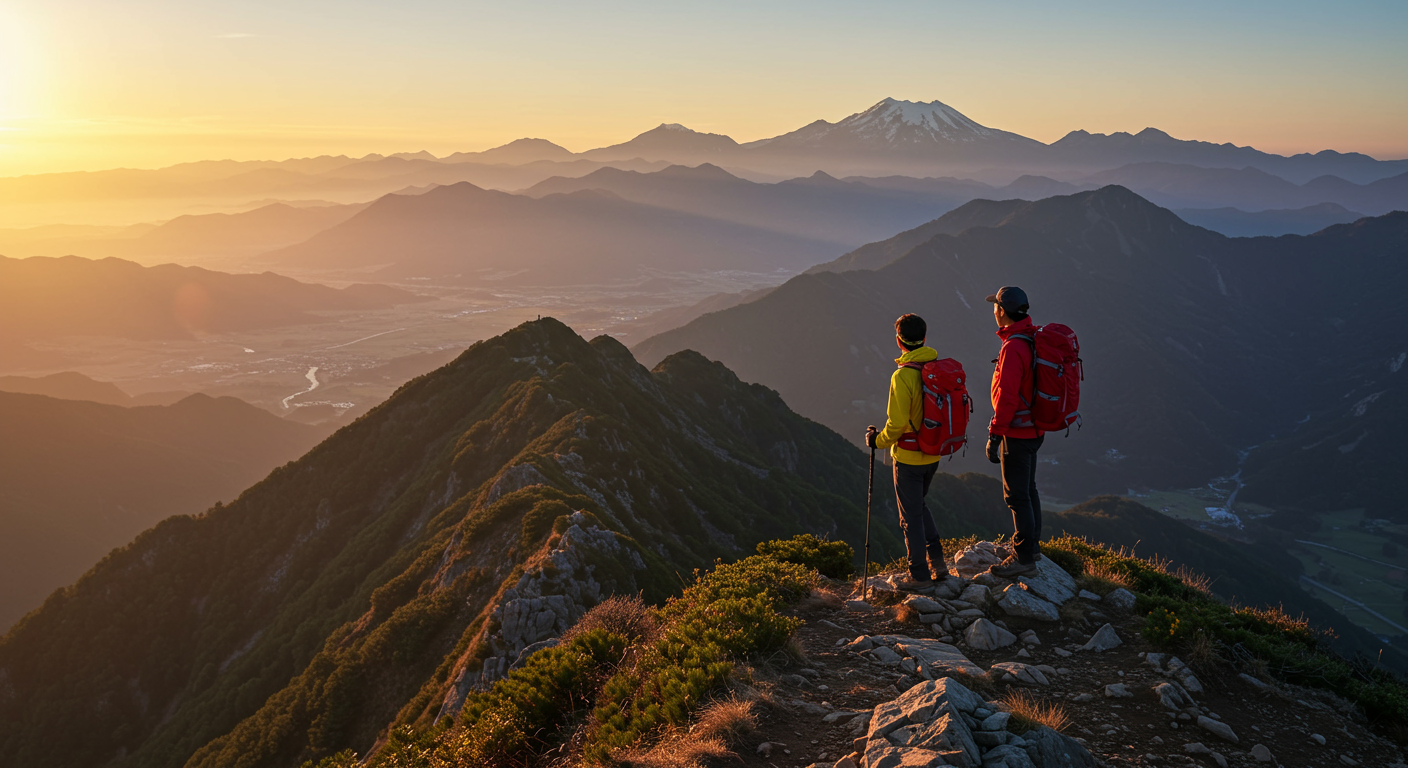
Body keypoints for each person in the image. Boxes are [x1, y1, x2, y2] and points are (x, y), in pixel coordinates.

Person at [864, 313, 949, 592]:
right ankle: (938, 564)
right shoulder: (936, 368)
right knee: (919, 506)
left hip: (909, 457)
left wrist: (878, 441)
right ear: (924, 339)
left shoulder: (903, 376)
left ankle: (919, 577)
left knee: (909, 516)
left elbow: (897, 424)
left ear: (899, 341)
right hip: (934, 453)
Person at [985, 286, 1044, 578]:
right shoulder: (1031, 337)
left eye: (995, 306)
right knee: (1029, 489)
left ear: (1001, 311)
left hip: (1017, 432)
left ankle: (1024, 560)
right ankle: (1031, 548)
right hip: (1035, 428)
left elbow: (1007, 397)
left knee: (1016, 496)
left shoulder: (1013, 347)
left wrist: (995, 435)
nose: (993, 311)